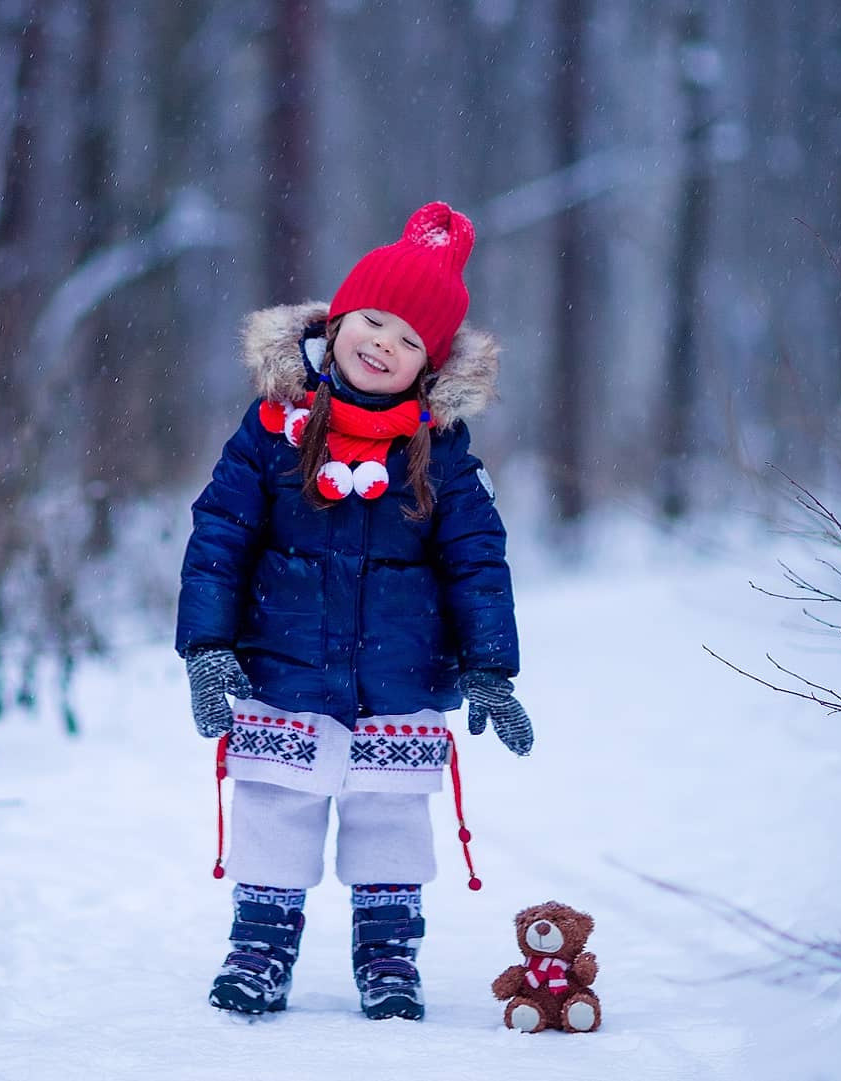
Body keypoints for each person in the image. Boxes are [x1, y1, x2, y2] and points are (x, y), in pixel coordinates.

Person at [176, 201, 533, 1022]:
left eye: (411, 339)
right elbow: (219, 534)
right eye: (373, 320)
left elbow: (477, 560)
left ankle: (388, 958)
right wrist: (206, 645)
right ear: (335, 324)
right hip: (283, 667)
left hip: (400, 676)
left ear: (430, 365)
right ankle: (261, 952)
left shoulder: (440, 453)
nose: (385, 343)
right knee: (273, 811)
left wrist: (489, 669)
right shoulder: (274, 430)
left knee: (389, 825)